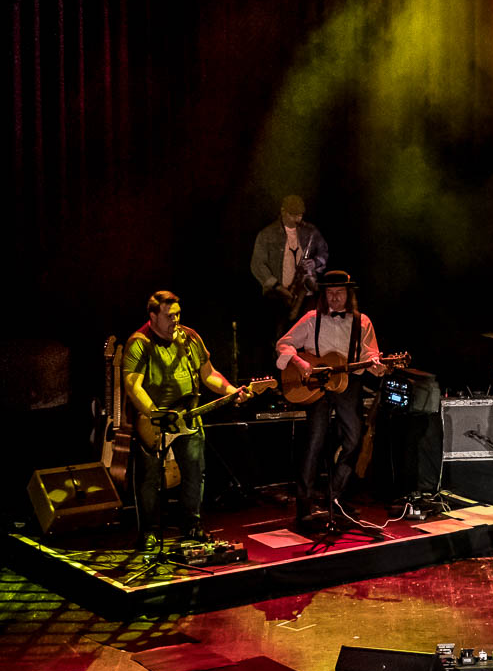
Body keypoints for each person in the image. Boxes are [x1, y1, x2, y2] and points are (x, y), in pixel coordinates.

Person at [122, 290, 248, 549]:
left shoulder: (189, 337)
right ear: (153, 316)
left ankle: (192, 526)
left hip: (189, 417)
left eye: (178, 315)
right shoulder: (139, 342)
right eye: (169, 316)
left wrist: (230, 390)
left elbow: (208, 374)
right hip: (155, 420)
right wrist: (155, 414)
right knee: (149, 479)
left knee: (194, 473)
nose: (175, 321)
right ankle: (149, 532)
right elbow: (132, 385)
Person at [275, 270, 383, 531]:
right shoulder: (312, 318)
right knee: (314, 443)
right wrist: (300, 362)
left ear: (349, 294)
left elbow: (371, 355)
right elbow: (283, 344)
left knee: (354, 439)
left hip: (348, 384)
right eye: (330, 293)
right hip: (317, 385)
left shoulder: (362, 321)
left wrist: (377, 365)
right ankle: (304, 506)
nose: (334, 298)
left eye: (339, 293)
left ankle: (335, 496)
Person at [251, 194, 329, 328]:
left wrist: (315, 263)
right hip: (277, 296)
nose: (297, 219)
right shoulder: (267, 234)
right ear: (283, 212)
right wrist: (277, 286)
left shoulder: (311, 231)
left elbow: (324, 252)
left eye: (300, 215)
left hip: (306, 296)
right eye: (293, 215)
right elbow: (257, 264)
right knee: (280, 334)